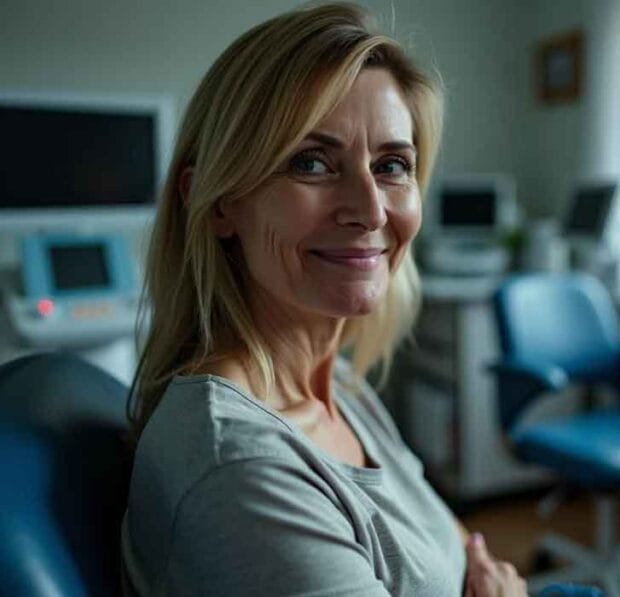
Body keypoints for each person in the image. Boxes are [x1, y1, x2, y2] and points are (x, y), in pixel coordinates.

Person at [121, 4, 526, 596]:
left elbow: (452, 537)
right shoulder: (241, 467)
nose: (369, 209)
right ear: (218, 202)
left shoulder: (339, 385)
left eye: (392, 165)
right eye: (311, 163)